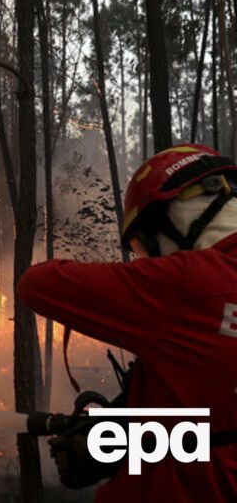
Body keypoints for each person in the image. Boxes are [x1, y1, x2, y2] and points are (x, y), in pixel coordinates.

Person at [17, 143, 237, 501]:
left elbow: (37, 284)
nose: (148, 260)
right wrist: (114, 438)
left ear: (173, 221)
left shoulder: (190, 283)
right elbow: (213, 418)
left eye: (145, 248)